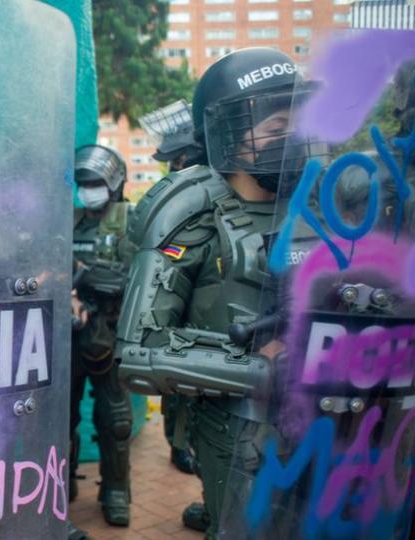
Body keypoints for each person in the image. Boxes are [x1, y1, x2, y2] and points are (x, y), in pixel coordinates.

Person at [114, 47, 325, 539]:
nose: (292, 140)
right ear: (230, 134)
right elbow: (139, 350)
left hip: (324, 421)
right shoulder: (190, 210)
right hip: (239, 426)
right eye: (276, 130)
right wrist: (263, 368)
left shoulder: (319, 202)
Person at [139, 100, 203, 478]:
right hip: (176, 293)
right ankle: (179, 445)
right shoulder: (178, 194)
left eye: (177, 159)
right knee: (176, 380)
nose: (172, 166)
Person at [69, 144, 132, 527]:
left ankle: (116, 491)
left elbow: (125, 278)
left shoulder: (130, 220)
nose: (88, 189)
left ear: (113, 184)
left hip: (109, 331)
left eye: (94, 182)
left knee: (116, 419)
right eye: (82, 183)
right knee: (61, 416)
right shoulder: (70, 219)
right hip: (70, 332)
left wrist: (80, 271)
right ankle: (60, 484)